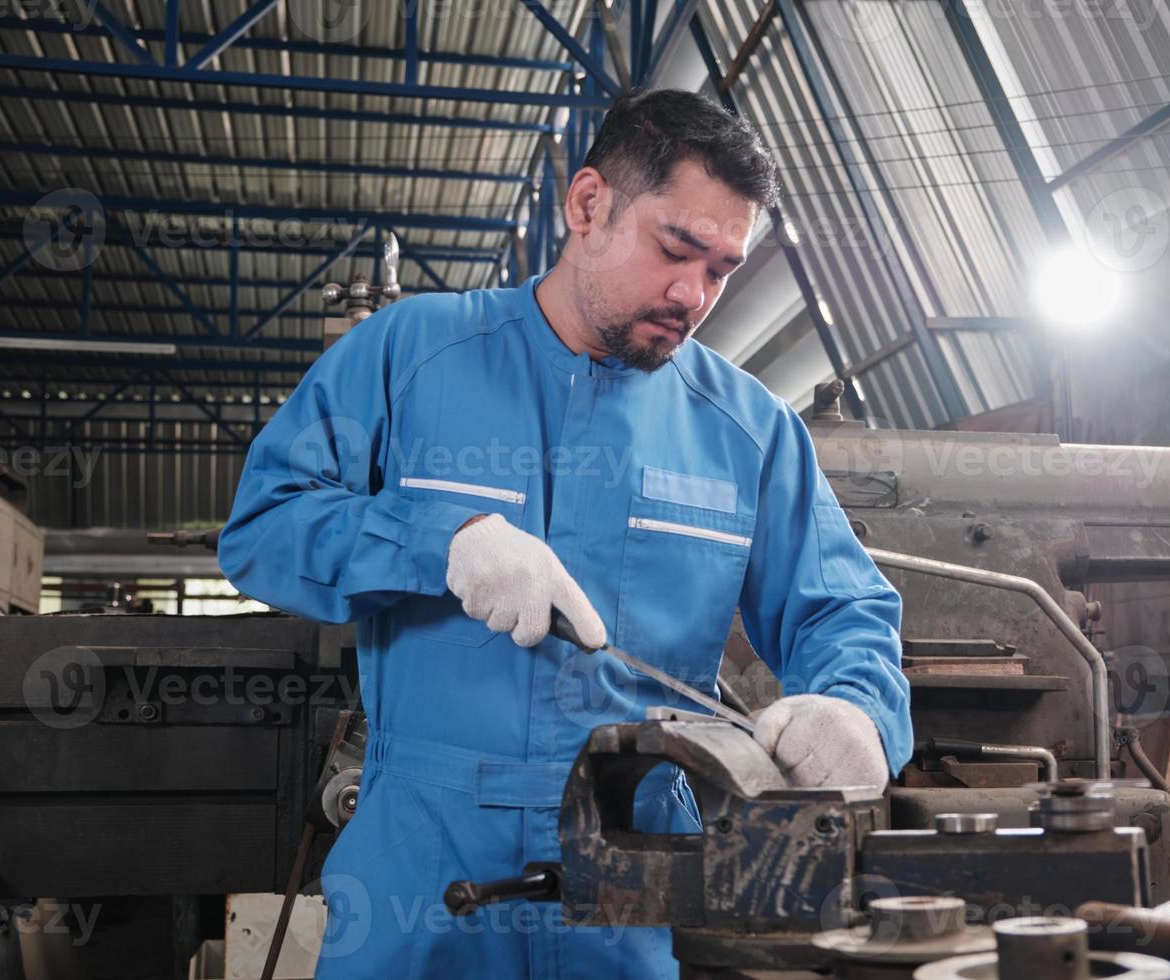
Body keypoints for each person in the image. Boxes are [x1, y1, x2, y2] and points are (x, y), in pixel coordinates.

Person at [219, 88, 911, 979]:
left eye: (722, 270)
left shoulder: (750, 432)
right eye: (676, 249)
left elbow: (841, 607)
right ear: (588, 205)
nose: (692, 294)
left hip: (632, 885)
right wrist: (444, 540)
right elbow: (266, 525)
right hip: (423, 875)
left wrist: (856, 708)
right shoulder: (409, 354)